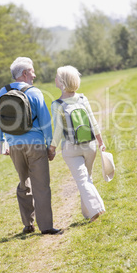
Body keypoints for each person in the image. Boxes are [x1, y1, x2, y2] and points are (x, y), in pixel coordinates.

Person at [0, 57, 61, 235]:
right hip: (35, 144)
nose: (34, 74)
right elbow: (45, 120)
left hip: (14, 145)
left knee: (24, 183)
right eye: (32, 71)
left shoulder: (2, 91)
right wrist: (50, 146)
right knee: (41, 186)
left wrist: (2, 144)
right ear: (24, 73)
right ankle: (46, 227)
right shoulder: (35, 92)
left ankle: (28, 224)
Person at [48, 65, 106, 222]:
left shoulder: (57, 104)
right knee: (87, 178)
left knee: (82, 180)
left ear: (61, 82)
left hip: (71, 147)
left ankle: (96, 209)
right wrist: (100, 142)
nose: (54, 79)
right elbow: (92, 121)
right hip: (90, 145)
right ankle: (88, 213)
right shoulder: (82, 98)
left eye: (56, 77)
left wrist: (52, 148)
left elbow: (59, 130)